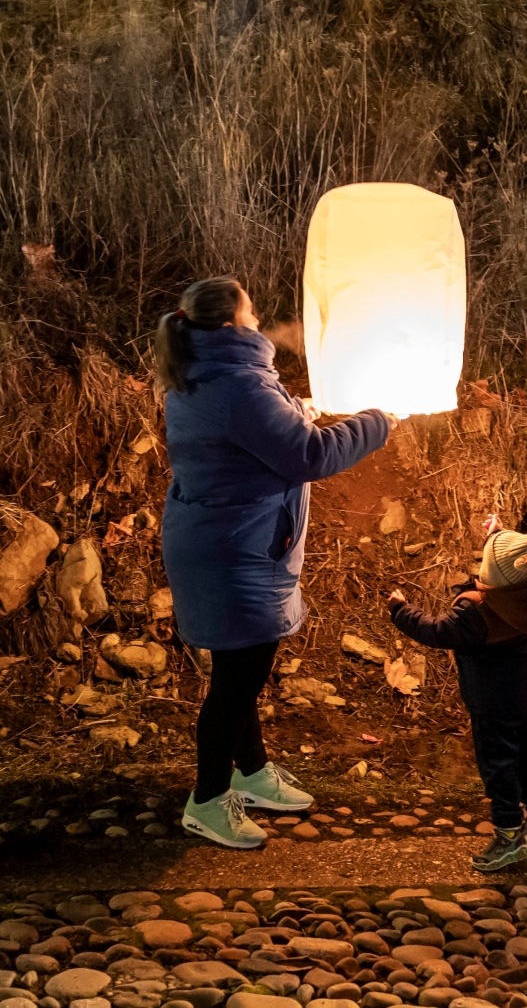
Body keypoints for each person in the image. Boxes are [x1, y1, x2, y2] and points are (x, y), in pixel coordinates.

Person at [156, 276, 396, 849]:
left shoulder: (209, 370)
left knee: (238, 670)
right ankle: (208, 800)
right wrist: (379, 421)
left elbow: (253, 431)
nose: (259, 317)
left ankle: (252, 772)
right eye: (252, 310)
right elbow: (310, 454)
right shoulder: (238, 383)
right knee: (238, 683)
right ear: (232, 322)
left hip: (228, 541)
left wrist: (299, 408)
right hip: (235, 552)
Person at [387, 513, 527, 872]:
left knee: (498, 766)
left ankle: (509, 836)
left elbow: (435, 631)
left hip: (491, 704)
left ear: (496, 582)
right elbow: (518, 568)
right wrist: (498, 536)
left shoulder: (476, 615)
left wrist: (400, 610)